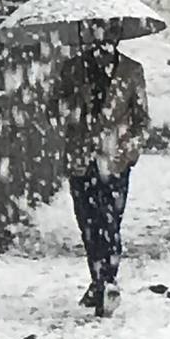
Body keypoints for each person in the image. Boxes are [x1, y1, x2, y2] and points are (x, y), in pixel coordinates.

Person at [66, 42, 149, 316]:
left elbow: (142, 120)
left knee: (110, 221)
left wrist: (128, 151)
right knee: (88, 223)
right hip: (82, 162)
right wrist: (73, 107)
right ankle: (98, 279)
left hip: (115, 162)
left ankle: (107, 281)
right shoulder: (74, 70)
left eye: (113, 28)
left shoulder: (131, 71)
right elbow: (53, 109)